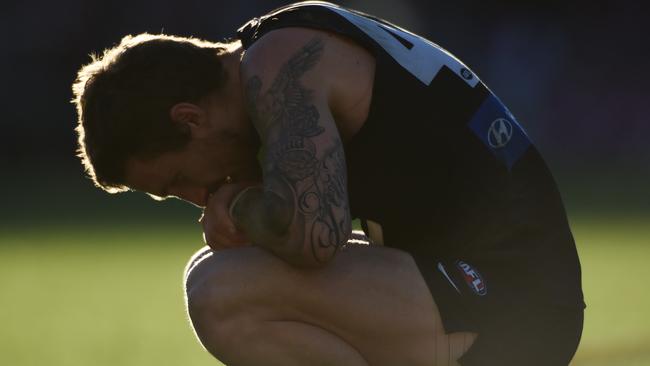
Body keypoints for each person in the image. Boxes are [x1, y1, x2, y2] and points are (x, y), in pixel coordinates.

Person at [71, 1, 585, 365]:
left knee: (220, 291)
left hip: (518, 303)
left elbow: (314, 237)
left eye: (179, 179)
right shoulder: (278, 47)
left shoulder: (277, 68)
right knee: (223, 270)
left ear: (189, 118)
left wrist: (240, 202)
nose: (197, 198)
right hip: (493, 284)